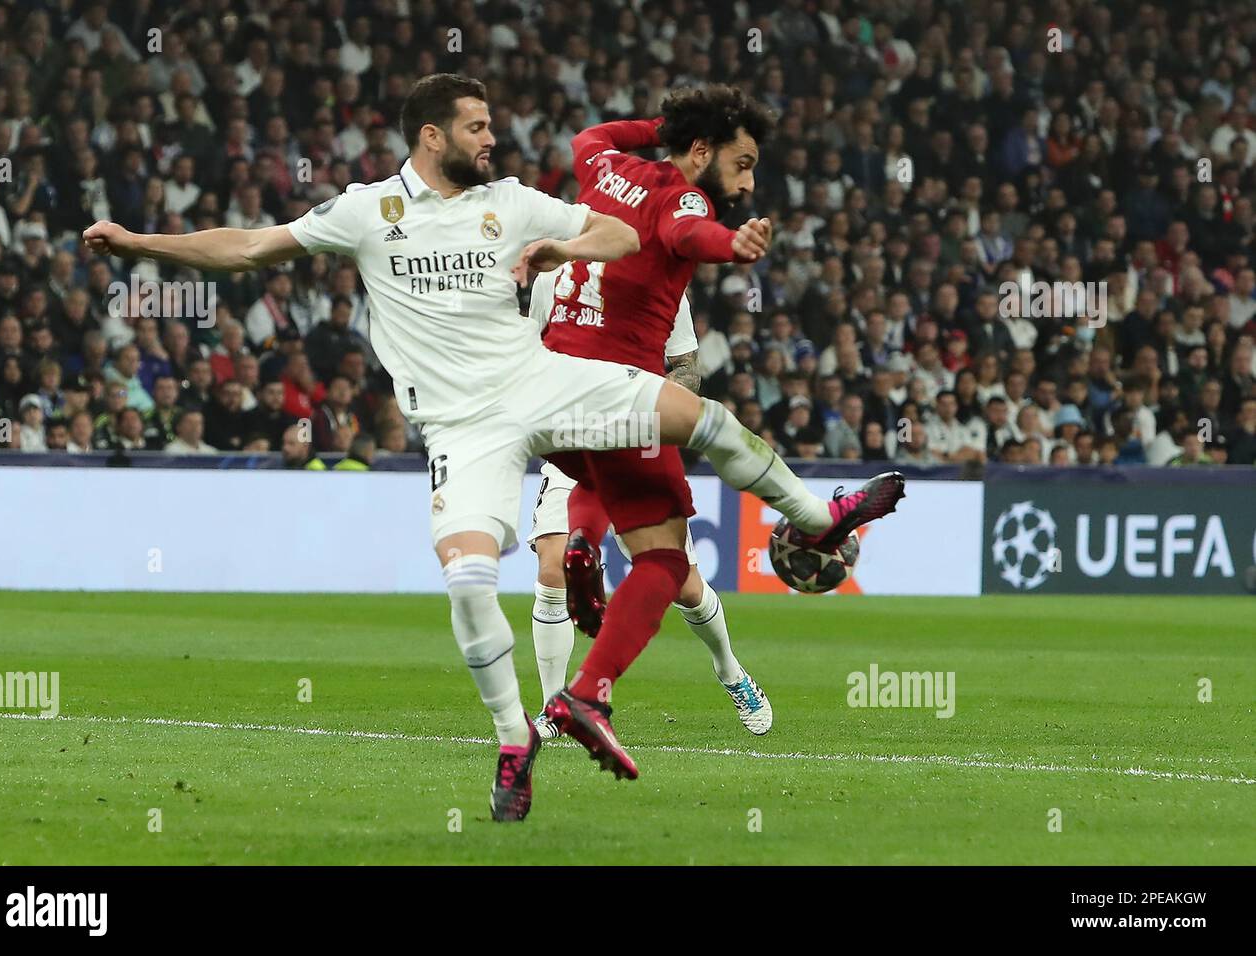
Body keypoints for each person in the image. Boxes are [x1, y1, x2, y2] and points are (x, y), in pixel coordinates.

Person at [83, 73, 898, 823]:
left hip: (541, 379)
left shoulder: (510, 199)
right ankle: (517, 740)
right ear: (431, 137)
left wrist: (560, 247)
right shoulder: (367, 212)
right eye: (476, 127)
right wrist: (139, 244)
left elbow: (617, 236)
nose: (491, 140)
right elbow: (250, 246)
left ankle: (818, 515)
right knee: (469, 579)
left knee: (697, 414)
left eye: (491, 127)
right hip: (464, 428)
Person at [533, 87, 903, 780]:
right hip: (616, 393)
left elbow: (591, 134)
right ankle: (820, 518)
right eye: (742, 162)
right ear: (702, 152)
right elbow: (685, 232)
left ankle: (584, 550)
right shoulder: (683, 196)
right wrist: (732, 244)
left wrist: (665, 126)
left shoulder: (601, 166)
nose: (748, 181)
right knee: (669, 555)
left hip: (546, 389)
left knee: (598, 481)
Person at [526, 275, 772, 739]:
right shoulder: (552, 277)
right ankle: (555, 709)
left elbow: (687, 368)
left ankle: (731, 672)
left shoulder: (661, 283)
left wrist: (644, 403)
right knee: (552, 565)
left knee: (686, 587)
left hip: (637, 446)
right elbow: (533, 356)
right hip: (574, 442)